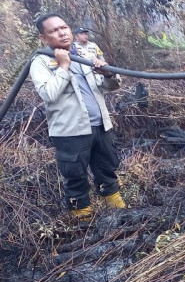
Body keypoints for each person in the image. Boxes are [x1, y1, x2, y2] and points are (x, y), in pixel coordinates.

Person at [29, 13, 126, 219]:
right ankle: (82, 222)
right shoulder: (41, 61)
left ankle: (118, 215)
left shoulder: (83, 53)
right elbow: (48, 94)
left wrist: (107, 74)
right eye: (54, 30)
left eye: (64, 27)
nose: (62, 32)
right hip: (70, 133)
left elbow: (109, 87)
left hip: (100, 126)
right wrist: (63, 66)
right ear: (44, 38)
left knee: (107, 171)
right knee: (75, 178)